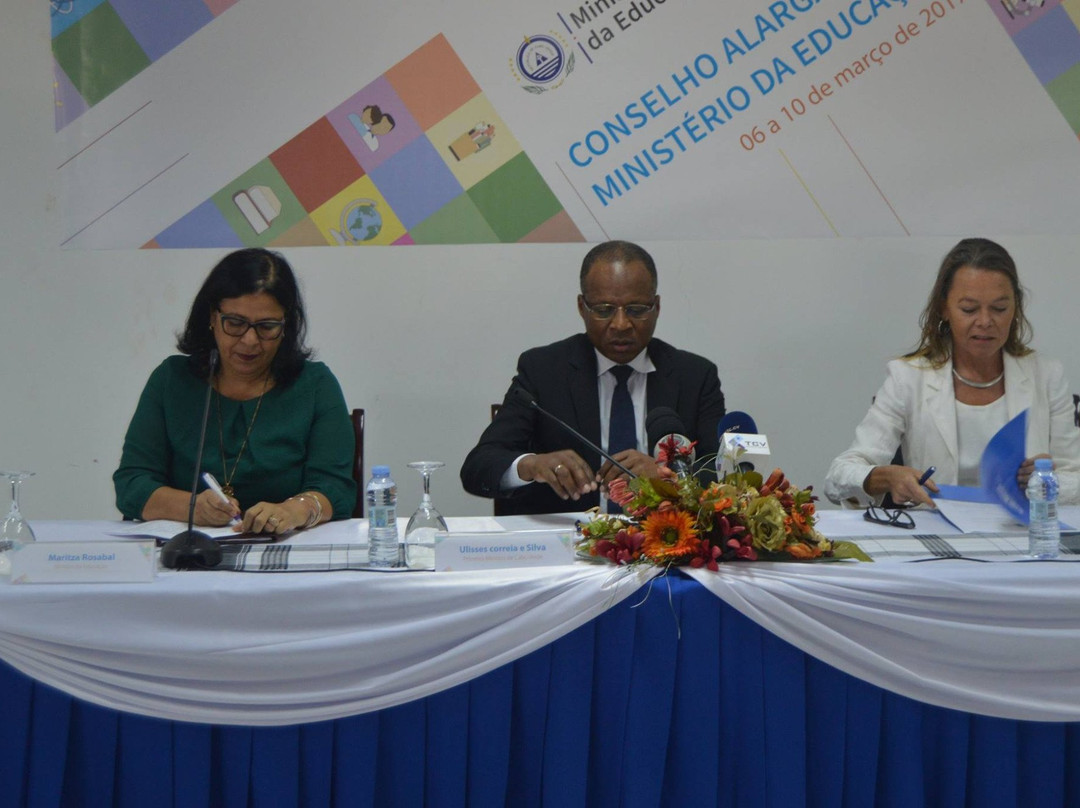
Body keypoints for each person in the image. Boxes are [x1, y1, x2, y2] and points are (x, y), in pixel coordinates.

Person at [460, 240, 726, 515]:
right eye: (604, 310)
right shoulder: (543, 370)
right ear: (581, 307)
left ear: (656, 307)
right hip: (569, 545)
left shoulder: (695, 376)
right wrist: (531, 465)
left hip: (667, 545)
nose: (621, 324)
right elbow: (479, 467)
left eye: (636, 310)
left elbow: (725, 477)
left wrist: (669, 477)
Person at [114, 248, 356, 534]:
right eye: (235, 323)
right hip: (186, 553)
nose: (250, 340)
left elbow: (336, 488)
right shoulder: (172, 379)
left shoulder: (315, 385)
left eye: (266, 327)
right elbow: (132, 484)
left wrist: (294, 510)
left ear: (286, 326)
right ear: (212, 318)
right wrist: (192, 507)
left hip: (282, 550)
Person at [825, 237, 1080, 507]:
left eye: (999, 308)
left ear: (1015, 309)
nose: (985, 322)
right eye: (969, 309)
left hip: (1023, 537)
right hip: (937, 536)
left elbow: (1074, 478)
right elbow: (838, 476)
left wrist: (1046, 482)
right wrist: (886, 477)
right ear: (944, 308)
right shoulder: (908, 378)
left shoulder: (1047, 376)